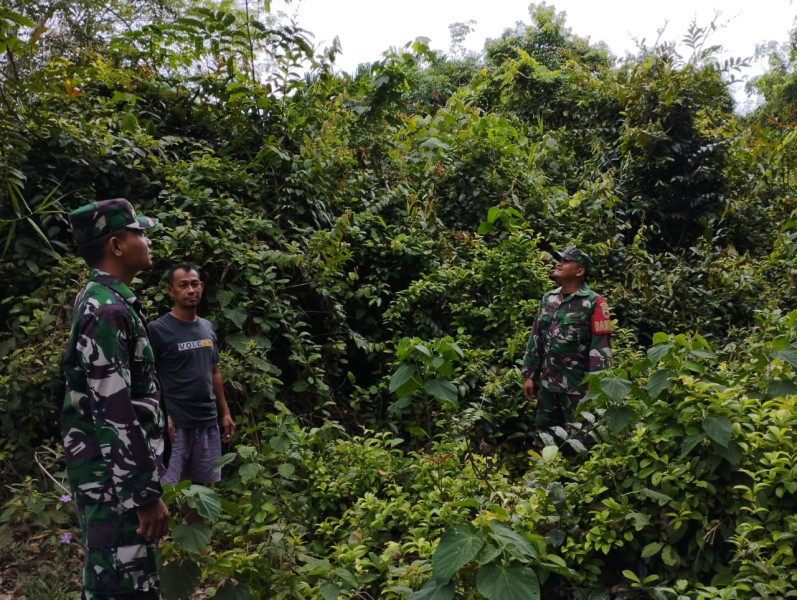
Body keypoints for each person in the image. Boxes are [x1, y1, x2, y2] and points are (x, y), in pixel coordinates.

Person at [62, 198, 169, 600]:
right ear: (116, 245)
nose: (147, 239)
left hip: (110, 477)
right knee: (122, 584)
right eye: (139, 232)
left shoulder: (103, 299)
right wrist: (142, 494)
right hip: (114, 482)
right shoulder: (105, 310)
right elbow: (113, 409)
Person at [148, 265, 235, 491]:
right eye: (183, 285)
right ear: (170, 290)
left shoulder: (207, 327)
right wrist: (162, 414)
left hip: (207, 420)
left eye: (194, 284)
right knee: (167, 488)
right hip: (176, 425)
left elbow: (214, 372)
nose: (190, 290)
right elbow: (148, 376)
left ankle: (196, 527)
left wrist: (225, 413)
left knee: (200, 489)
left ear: (202, 287)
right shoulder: (158, 330)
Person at [521, 246, 612, 430]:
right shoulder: (549, 298)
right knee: (544, 437)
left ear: (580, 271)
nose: (559, 264)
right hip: (547, 385)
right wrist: (530, 375)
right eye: (559, 260)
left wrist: (596, 389)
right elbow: (536, 338)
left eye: (565, 261)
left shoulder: (594, 303)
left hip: (577, 388)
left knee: (581, 439)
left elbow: (601, 350)